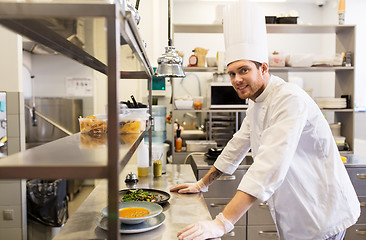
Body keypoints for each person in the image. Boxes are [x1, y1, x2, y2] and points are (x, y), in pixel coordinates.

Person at [170, 1, 360, 240]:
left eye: (244, 70)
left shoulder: (289, 99)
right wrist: (203, 183)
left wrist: (221, 223)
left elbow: (269, 165)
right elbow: (240, 142)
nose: (237, 79)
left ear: (264, 68)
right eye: (232, 73)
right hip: (296, 211)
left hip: (321, 213)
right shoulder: (256, 100)